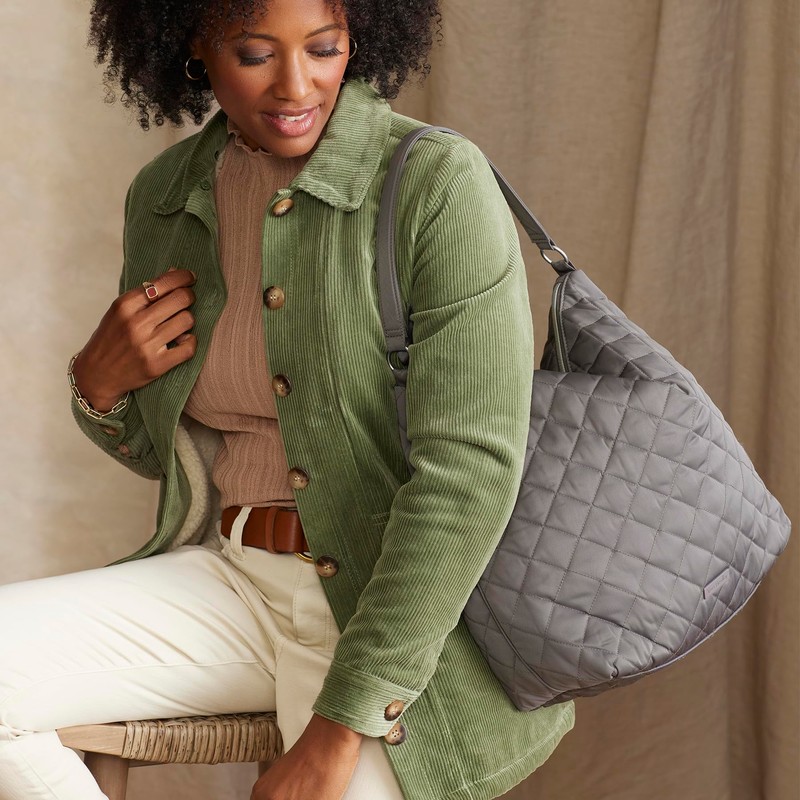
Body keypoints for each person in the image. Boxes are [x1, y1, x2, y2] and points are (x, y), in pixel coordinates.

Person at [0, 0, 575, 798]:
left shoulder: (435, 180)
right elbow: (162, 451)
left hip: (388, 612)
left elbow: (470, 475)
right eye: (254, 54)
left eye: (325, 48)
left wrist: (340, 728)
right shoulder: (167, 195)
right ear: (195, 45)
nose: (296, 86)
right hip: (232, 582)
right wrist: (98, 388)